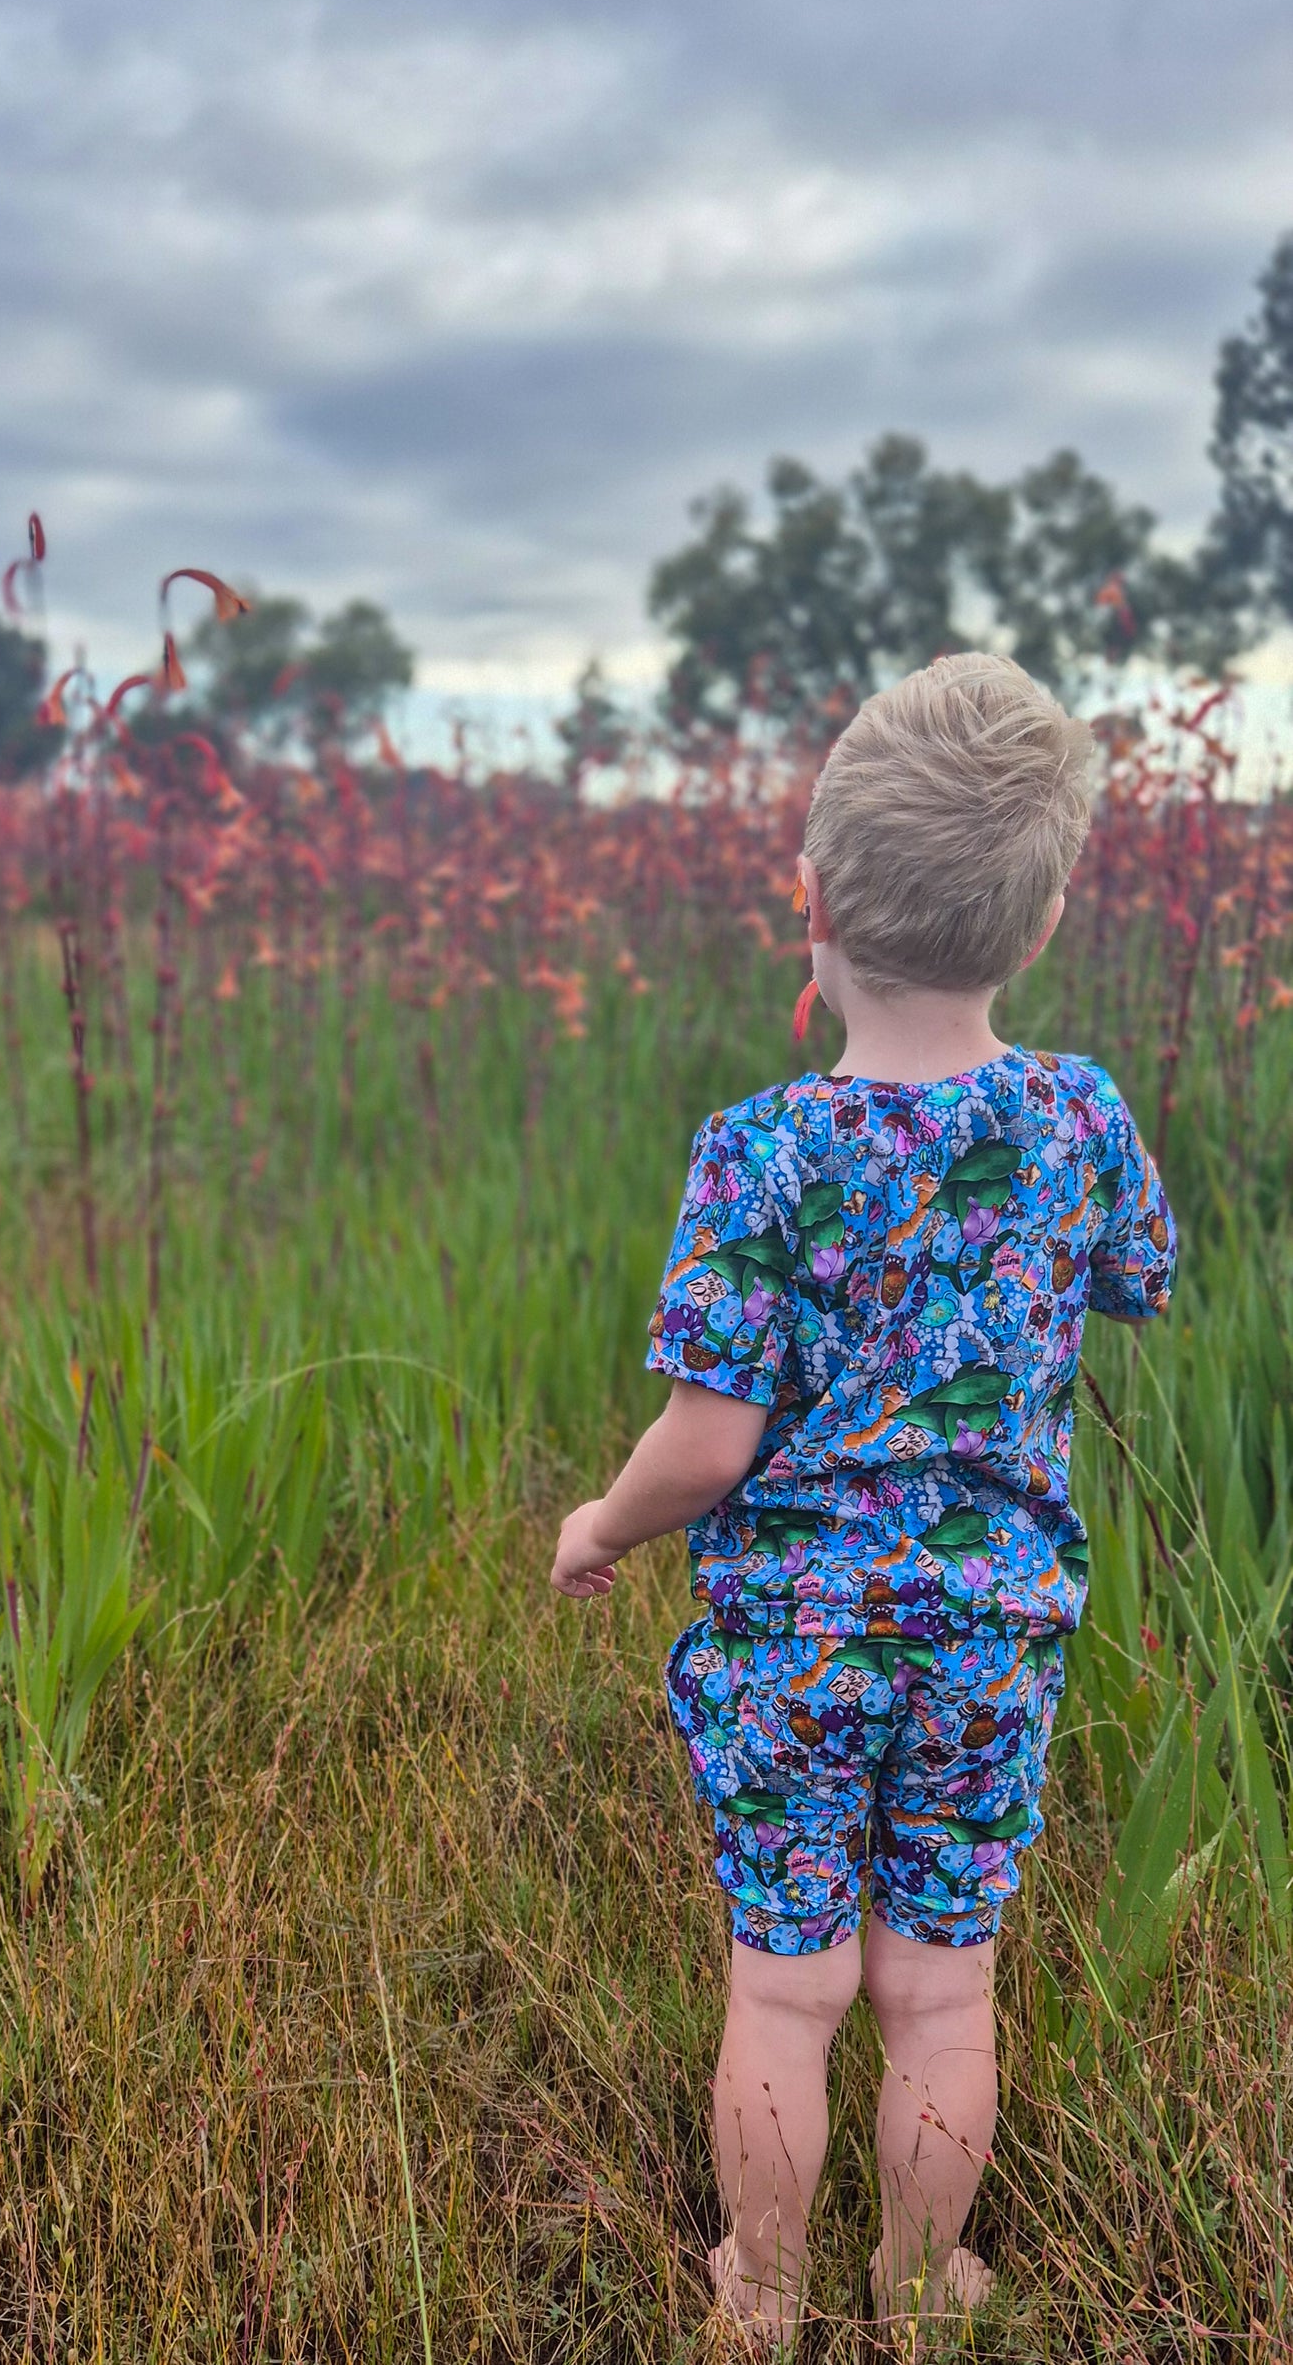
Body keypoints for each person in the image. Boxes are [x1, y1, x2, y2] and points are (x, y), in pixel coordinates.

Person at [549, 654, 1176, 2355]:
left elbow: (709, 1440)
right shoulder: (1076, 1115)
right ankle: (915, 2290)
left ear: (805, 901)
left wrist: (604, 1526)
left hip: (798, 1651)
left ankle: (758, 2291)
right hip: (994, 1644)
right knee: (939, 1990)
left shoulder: (761, 1149)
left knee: (789, 1984)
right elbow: (1144, 1279)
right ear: (1040, 926)